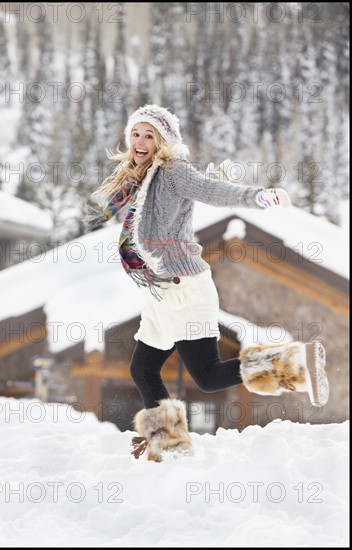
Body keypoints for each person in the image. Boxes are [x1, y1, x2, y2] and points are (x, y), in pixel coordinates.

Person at [85, 104, 329, 462]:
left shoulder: (171, 171)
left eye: (149, 135)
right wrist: (213, 175)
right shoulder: (144, 177)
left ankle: (292, 362)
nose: (140, 141)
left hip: (184, 289)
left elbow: (210, 192)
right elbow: (195, 188)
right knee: (143, 367)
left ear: (163, 140)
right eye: (135, 134)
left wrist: (256, 197)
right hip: (159, 292)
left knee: (209, 376)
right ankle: (168, 444)